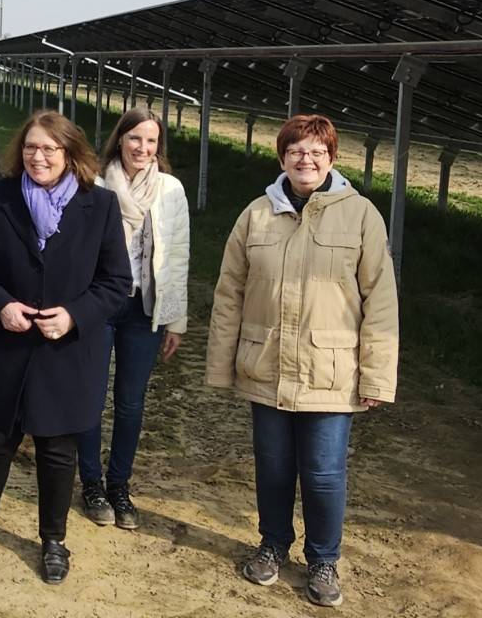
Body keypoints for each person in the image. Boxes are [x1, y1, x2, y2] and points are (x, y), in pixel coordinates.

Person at [206, 113, 398, 608]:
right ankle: (271, 546)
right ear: (282, 158)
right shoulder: (256, 215)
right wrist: (222, 363)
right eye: (295, 151)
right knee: (272, 467)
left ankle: (323, 559)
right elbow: (230, 293)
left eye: (316, 152)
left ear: (332, 159)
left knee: (323, 472)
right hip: (266, 362)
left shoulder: (361, 216)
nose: (305, 159)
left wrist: (377, 374)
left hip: (330, 370)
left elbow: (380, 301)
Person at [0, 110, 132, 585]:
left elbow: (116, 282)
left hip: (66, 351)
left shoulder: (101, 206)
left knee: (57, 449)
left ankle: (53, 538)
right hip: (4, 345)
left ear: (72, 154)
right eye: (32, 147)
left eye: (51, 148)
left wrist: (74, 315)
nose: (39, 156)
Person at [80, 108, 190, 530]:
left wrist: (175, 320)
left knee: (130, 403)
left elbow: (178, 254)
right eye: (135, 139)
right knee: (90, 395)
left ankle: (119, 484)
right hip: (100, 304)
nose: (143, 148)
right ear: (119, 140)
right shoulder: (95, 183)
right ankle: (91, 481)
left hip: (144, 310)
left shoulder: (170, 191)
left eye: (151, 142)